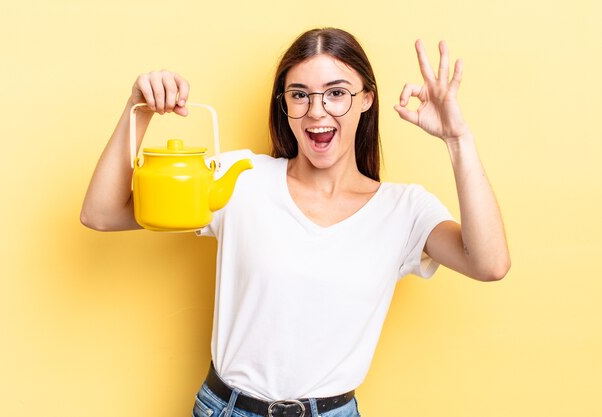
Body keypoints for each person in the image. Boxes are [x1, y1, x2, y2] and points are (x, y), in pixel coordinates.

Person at [81, 27, 510, 417]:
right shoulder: (241, 179)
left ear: (367, 98)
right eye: (300, 94)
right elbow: (101, 213)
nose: (317, 112)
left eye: (337, 93)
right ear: (284, 104)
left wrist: (458, 140)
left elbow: (490, 263)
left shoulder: (405, 210)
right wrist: (139, 111)